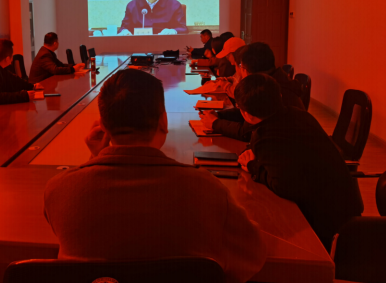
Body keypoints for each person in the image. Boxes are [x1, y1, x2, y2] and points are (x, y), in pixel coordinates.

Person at [44, 69, 266, 283]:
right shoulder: (207, 189)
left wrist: (95, 159)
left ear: (102, 125)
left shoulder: (59, 189)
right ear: (163, 121)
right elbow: (252, 258)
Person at [236, 74, 363, 251]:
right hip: (345, 205)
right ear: (279, 96)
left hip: (326, 222)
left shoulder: (266, 137)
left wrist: (253, 166)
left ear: (247, 115)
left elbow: (284, 186)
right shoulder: (299, 114)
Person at [200, 42, 304, 141]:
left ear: (247, 70)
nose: (240, 72)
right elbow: (248, 111)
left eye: (241, 66)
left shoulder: (266, 90)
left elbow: (247, 132)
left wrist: (215, 123)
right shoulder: (273, 80)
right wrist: (219, 115)